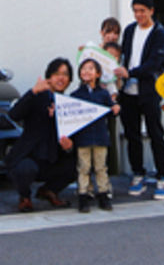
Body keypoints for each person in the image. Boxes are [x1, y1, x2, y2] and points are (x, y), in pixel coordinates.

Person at [114, 0, 164, 200]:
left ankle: (162, 177)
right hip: (128, 92)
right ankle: (138, 174)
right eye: (135, 11)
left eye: (142, 11)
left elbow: (153, 64)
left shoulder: (160, 33)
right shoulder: (129, 31)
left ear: (151, 11)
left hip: (150, 91)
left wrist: (131, 73)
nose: (138, 15)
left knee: (156, 134)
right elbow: (122, 58)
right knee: (132, 135)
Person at [5, 58, 77, 212]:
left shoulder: (68, 104)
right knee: (26, 169)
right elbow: (14, 114)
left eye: (65, 74)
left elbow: (73, 135)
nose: (61, 78)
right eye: (56, 73)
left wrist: (70, 147)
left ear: (70, 80)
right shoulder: (37, 96)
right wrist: (33, 92)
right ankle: (24, 197)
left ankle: (49, 191)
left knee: (79, 164)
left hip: (53, 158)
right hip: (31, 156)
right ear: (48, 77)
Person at [70, 58, 120, 212]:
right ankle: (83, 197)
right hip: (82, 138)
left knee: (101, 167)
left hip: (100, 136)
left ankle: (103, 196)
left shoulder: (103, 94)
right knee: (83, 168)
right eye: (83, 68)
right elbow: (70, 115)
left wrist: (116, 109)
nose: (86, 71)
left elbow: (110, 112)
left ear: (98, 74)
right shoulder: (75, 95)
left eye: (91, 69)